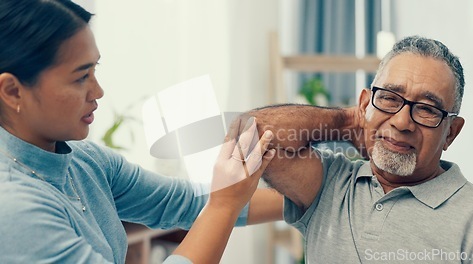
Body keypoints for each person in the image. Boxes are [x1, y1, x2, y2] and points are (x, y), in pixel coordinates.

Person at [0, 0, 282, 263]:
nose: (97, 91)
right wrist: (224, 204)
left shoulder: (85, 161)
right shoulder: (13, 208)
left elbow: (179, 201)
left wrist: (309, 195)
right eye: (81, 77)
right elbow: (217, 202)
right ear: (12, 92)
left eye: (95, 70)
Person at [245, 36, 473, 263]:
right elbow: (251, 135)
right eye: (389, 98)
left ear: (451, 132)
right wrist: (348, 121)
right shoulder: (330, 183)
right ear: (366, 103)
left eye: (426, 109)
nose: (402, 122)